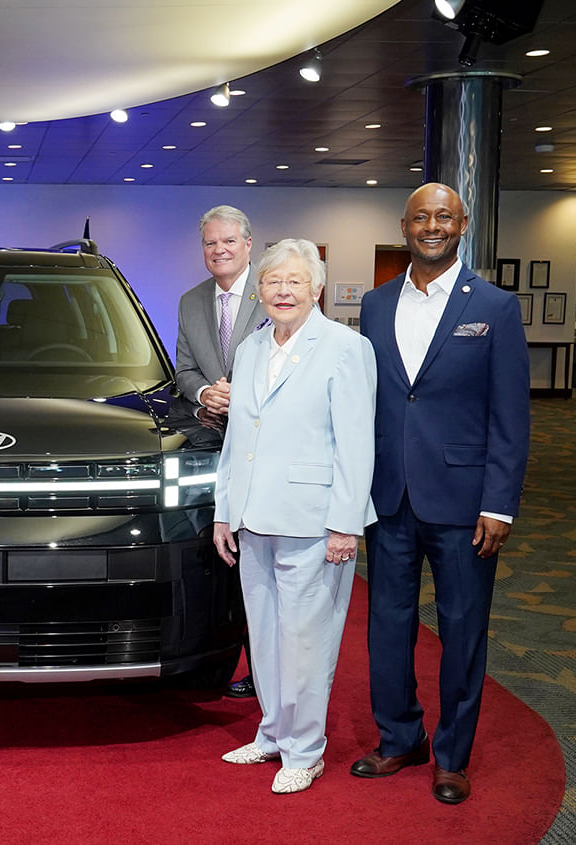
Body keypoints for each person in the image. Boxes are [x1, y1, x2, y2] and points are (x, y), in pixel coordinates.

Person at [351, 183, 530, 804]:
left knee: (462, 630)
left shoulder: (495, 307)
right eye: (422, 217)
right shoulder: (375, 304)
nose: (433, 226)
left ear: (463, 224)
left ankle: (453, 756)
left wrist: (499, 503)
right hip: (389, 497)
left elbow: (511, 416)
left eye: (444, 217)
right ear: (404, 226)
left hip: (465, 502)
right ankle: (400, 737)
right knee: (387, 625)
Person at [212, 238, 377, 795]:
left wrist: (345, 523)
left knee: (306, 642)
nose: (283, 291)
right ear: (258, 290)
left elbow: (357, 444)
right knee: (264, 638)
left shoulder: (346, 348)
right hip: (253, 516)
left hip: (313, 520)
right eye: (273, 281)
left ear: (317, 288)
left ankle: (304, 751)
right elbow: (238, 438)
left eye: (295, 281)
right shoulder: (251, 348)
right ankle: (272, 733)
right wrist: (224, 511)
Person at [175, 204, 268, 699]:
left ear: (248, 244)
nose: (219, 250)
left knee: (265, 565)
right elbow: (184, 370)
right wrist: (203, 394)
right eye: (211, 243)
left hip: (270, 448)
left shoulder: (272, 291)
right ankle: (237, 663)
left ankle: (267, 674)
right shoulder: (191, 301)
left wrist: (243, 394)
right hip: (217, 446)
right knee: (230, 562)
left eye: (229, 241)